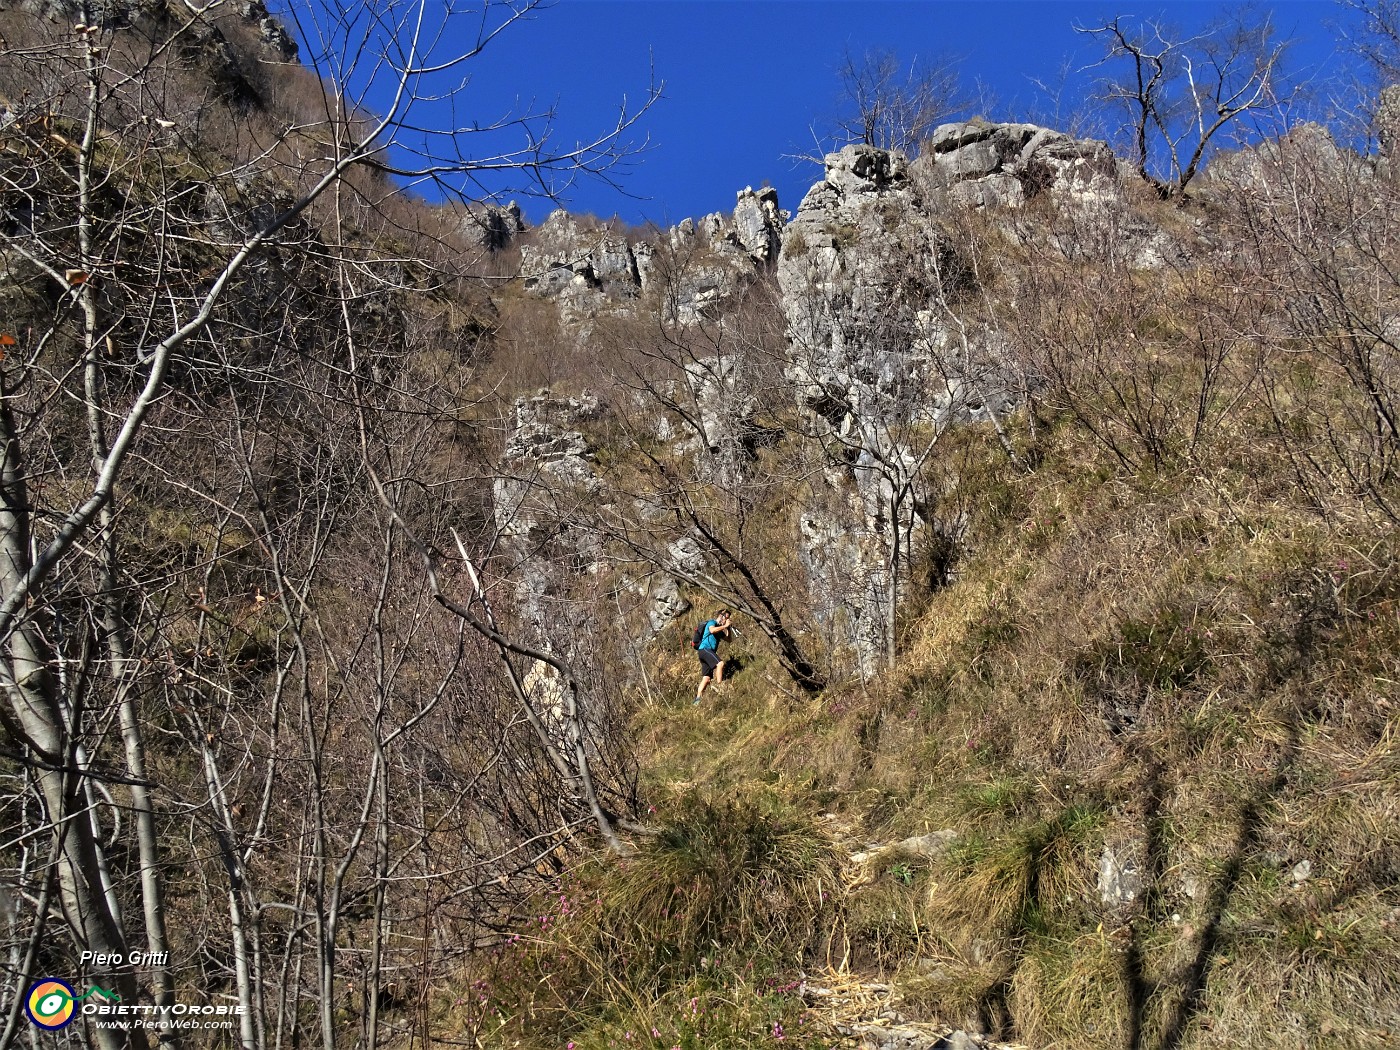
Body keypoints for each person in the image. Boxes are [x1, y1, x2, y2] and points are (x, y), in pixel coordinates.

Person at [693, 608, 732, 705]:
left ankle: (697, 701)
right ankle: (720, 686)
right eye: (725, 618)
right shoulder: (712, 622)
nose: (726, 620)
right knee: (720, 664)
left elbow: (729, 640)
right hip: (705, 649)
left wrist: (728, 628)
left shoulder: (720, 630)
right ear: (720, 616)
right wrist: (724, 626)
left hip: (704, 652)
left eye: (728, 618)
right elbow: (712, 630)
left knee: (706, 678)